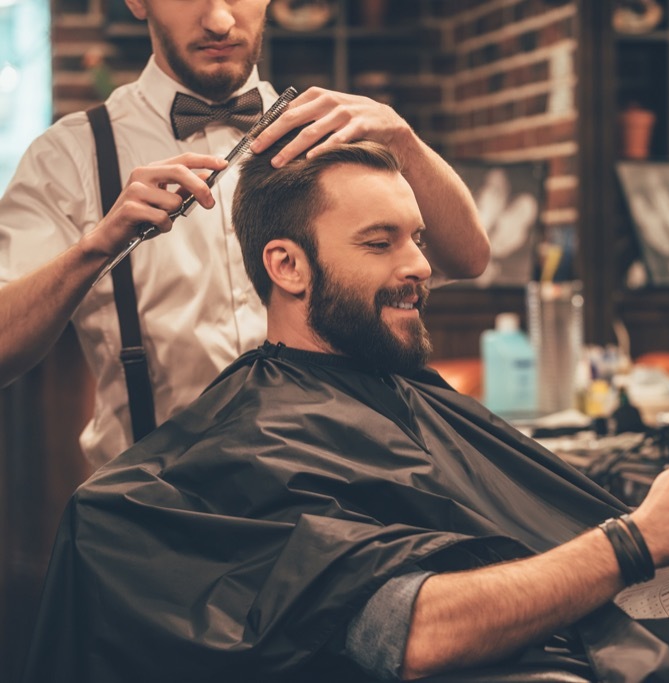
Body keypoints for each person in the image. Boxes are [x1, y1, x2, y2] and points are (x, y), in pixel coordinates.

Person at [22, 136, 669, 683]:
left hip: (640, 623)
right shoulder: (263, 442)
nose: (422, 266)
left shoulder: (396, 388)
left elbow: (517, 517)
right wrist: (639, 541)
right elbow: (409, 626)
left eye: (418, 239)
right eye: (383, 242)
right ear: (288, 264)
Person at [0, 0, 488, 468]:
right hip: (161, 510)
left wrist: (404, 140)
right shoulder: (70, 155)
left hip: (339, 487)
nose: (217, 19)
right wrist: (95, 248)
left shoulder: (330, 130)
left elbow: (468, 259)